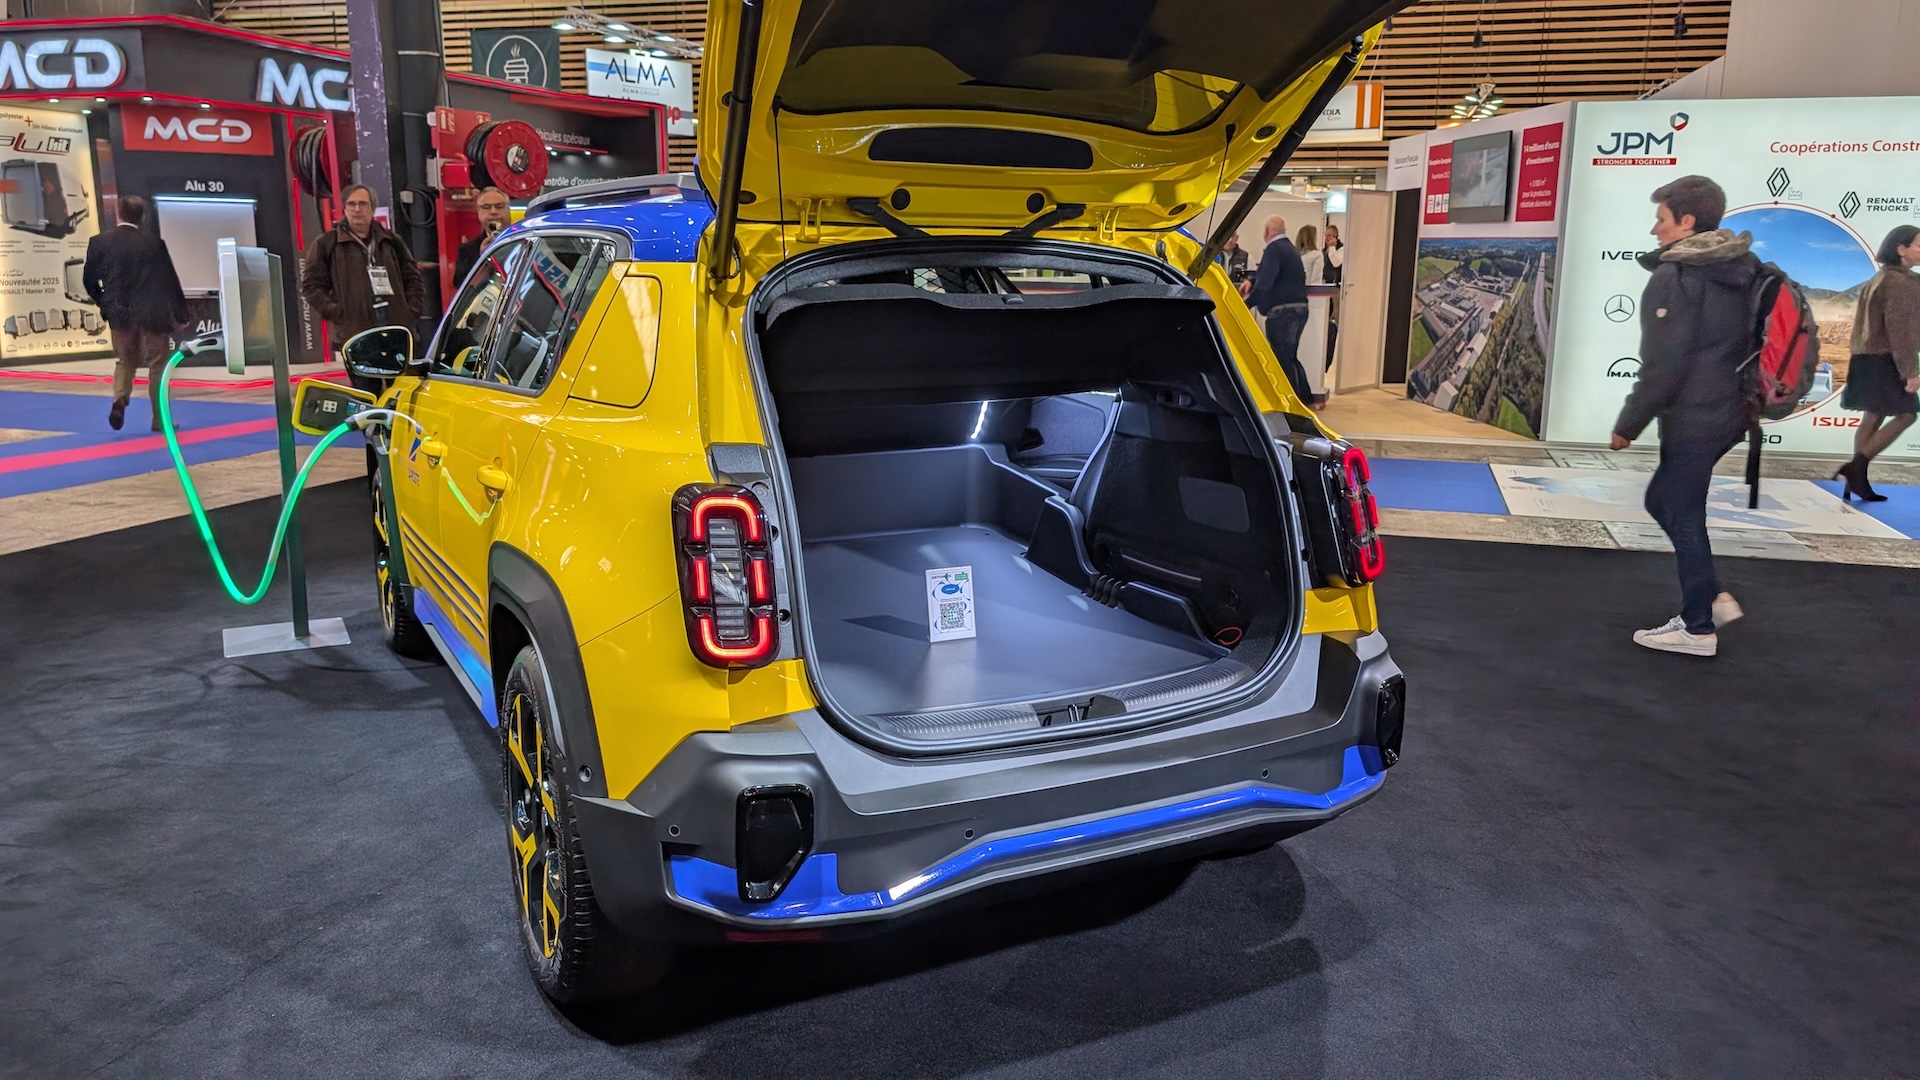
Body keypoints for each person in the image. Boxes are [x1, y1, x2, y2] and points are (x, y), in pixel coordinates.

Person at [1609, 175, 1754, 657]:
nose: (1655, 229)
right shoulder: (1744, 268)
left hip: (1695, 415)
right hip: (1733, 412)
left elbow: (1664, 364)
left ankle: (1698, 628)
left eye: (1662, 219)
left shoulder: (1676, 277)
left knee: (1683, 511)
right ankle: (1711, 595)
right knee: (1663, 499)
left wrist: (1628, 424)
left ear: (1687, 221)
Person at [300, 184, 426, 388]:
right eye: (352, 204)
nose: (357, 209)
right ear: (344, 209)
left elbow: (413, 278)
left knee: (402, 391)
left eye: (363, 204)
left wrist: (412, 310)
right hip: (356, 333)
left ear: (372, 209)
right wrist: (337, 313)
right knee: (366, 393)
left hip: (396, 330)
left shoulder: (391, 241)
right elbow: (311, 286)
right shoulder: (327, 244)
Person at [81, 194, 189, 432]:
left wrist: (105, 303)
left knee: (125, 361)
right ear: (142, 216)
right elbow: (170, 282)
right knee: (158, 365)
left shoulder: (99, 242)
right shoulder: (154, 244)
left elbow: (88, 280)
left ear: (118, 213)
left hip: (119, 314)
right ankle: (160, 420)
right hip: (152, 315)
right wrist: (181, 314)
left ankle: (120, 399)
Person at [1834, 224, 1920, 500]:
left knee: (1873, 415)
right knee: (1907, 414)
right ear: (1901, 249)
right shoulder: (1900, 283)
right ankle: (1855, 468)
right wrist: (1910, 372)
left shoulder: (1879, 279)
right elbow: (1901, 331)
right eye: (1919, 244)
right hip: (1885, 359)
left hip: (1866, 359)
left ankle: (1855, 482)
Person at [1244, 214, 1312, 404]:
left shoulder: (1273, 249)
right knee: (1290, 357)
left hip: (1283, 313)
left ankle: (1293, 403)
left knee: (1282, 359)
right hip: (1299, 310)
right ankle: (1305, 399)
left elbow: (1265, 282)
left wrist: (1246, 305)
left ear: (1266, 231)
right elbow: (1270, 274)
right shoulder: (1290, 249)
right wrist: (1252, 280)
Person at [452, 186, 511, 286]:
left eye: (499, 206)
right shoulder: (467, 250)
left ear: (508, 210)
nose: (493, 212)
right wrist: (482, 260)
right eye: (486, 207)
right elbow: (460, 285)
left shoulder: (525, 240)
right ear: (478, 212)